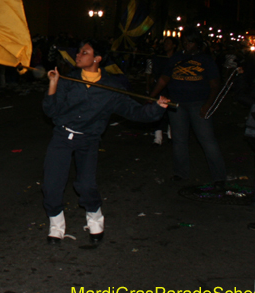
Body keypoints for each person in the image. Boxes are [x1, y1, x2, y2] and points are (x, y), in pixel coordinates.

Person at [42, 38, 169, 245]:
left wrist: (157, 108)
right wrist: (53, 84)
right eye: (79, 52)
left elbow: (134, 111)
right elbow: (50, 111)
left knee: (85, 185)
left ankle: (95, 219)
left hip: (89, 139)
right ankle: (56, 226)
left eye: (85, 52)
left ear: (97, 58)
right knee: (51, 185)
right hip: (62, 136)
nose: (78, 55)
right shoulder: (68, 80)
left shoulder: (111, 87)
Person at [149, 27, 226, 185]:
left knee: (207, 140)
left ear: (197, 43)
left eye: (190, 42)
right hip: (176, 103)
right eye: (185, 42)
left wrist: (208, 105)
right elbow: (164, 79)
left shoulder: (205, 60)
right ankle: (181, 172)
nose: (187, 45)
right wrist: (151, 96)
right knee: (179, 140)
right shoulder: (176, 58)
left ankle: (219, 176)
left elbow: (215, 85)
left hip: (198, 103)